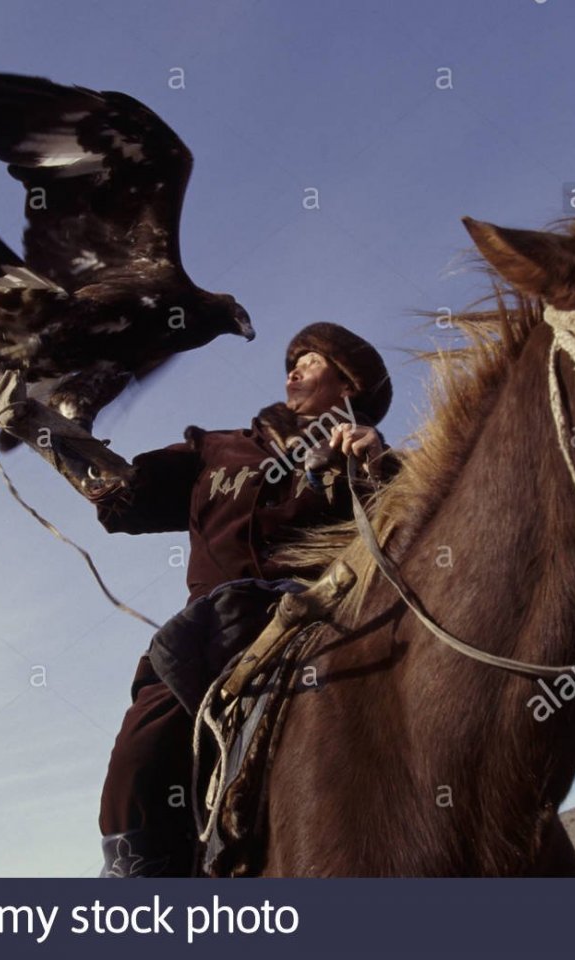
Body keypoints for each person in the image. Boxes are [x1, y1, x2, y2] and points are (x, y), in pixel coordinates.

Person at [89, 322, 395, 877]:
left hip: (320, 616)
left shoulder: (372, 455)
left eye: (312, 360)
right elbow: (123, 496)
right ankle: (135, 877)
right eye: (293, 360)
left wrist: (377, 466)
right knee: (142, 742)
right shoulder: (217, 449)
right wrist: (61, 436)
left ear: (349, 385)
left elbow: (415, 539)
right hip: (212, 630)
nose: (294, 367)